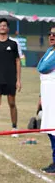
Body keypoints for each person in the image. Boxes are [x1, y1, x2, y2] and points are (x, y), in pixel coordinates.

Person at [37, 26, 55, 174]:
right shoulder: (50, 51)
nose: (51, 36)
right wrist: (40, 97)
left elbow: (44, 67)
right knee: (50, 128)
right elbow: (40, 67)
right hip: (47, 94)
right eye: (50, 34)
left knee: (54, 129)